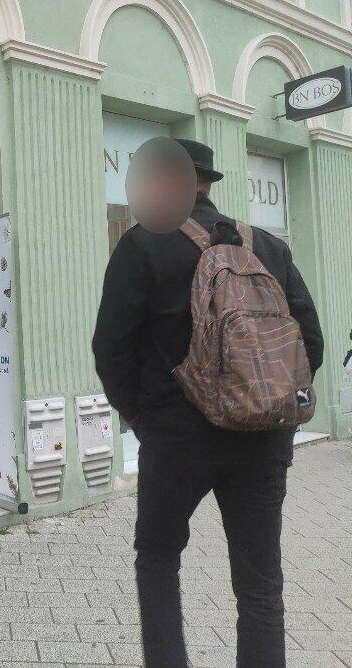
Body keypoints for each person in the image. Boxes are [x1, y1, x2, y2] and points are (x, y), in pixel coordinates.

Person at [92, 139, 324, 668]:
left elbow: (111, 349)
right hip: (263, 440)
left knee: (158, 557)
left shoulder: (141, 245)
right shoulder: (267, 246)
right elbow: (310, 341)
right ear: (207, 184)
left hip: (177, 439)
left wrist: (140, 417)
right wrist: (270, 404)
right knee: (260, 584)